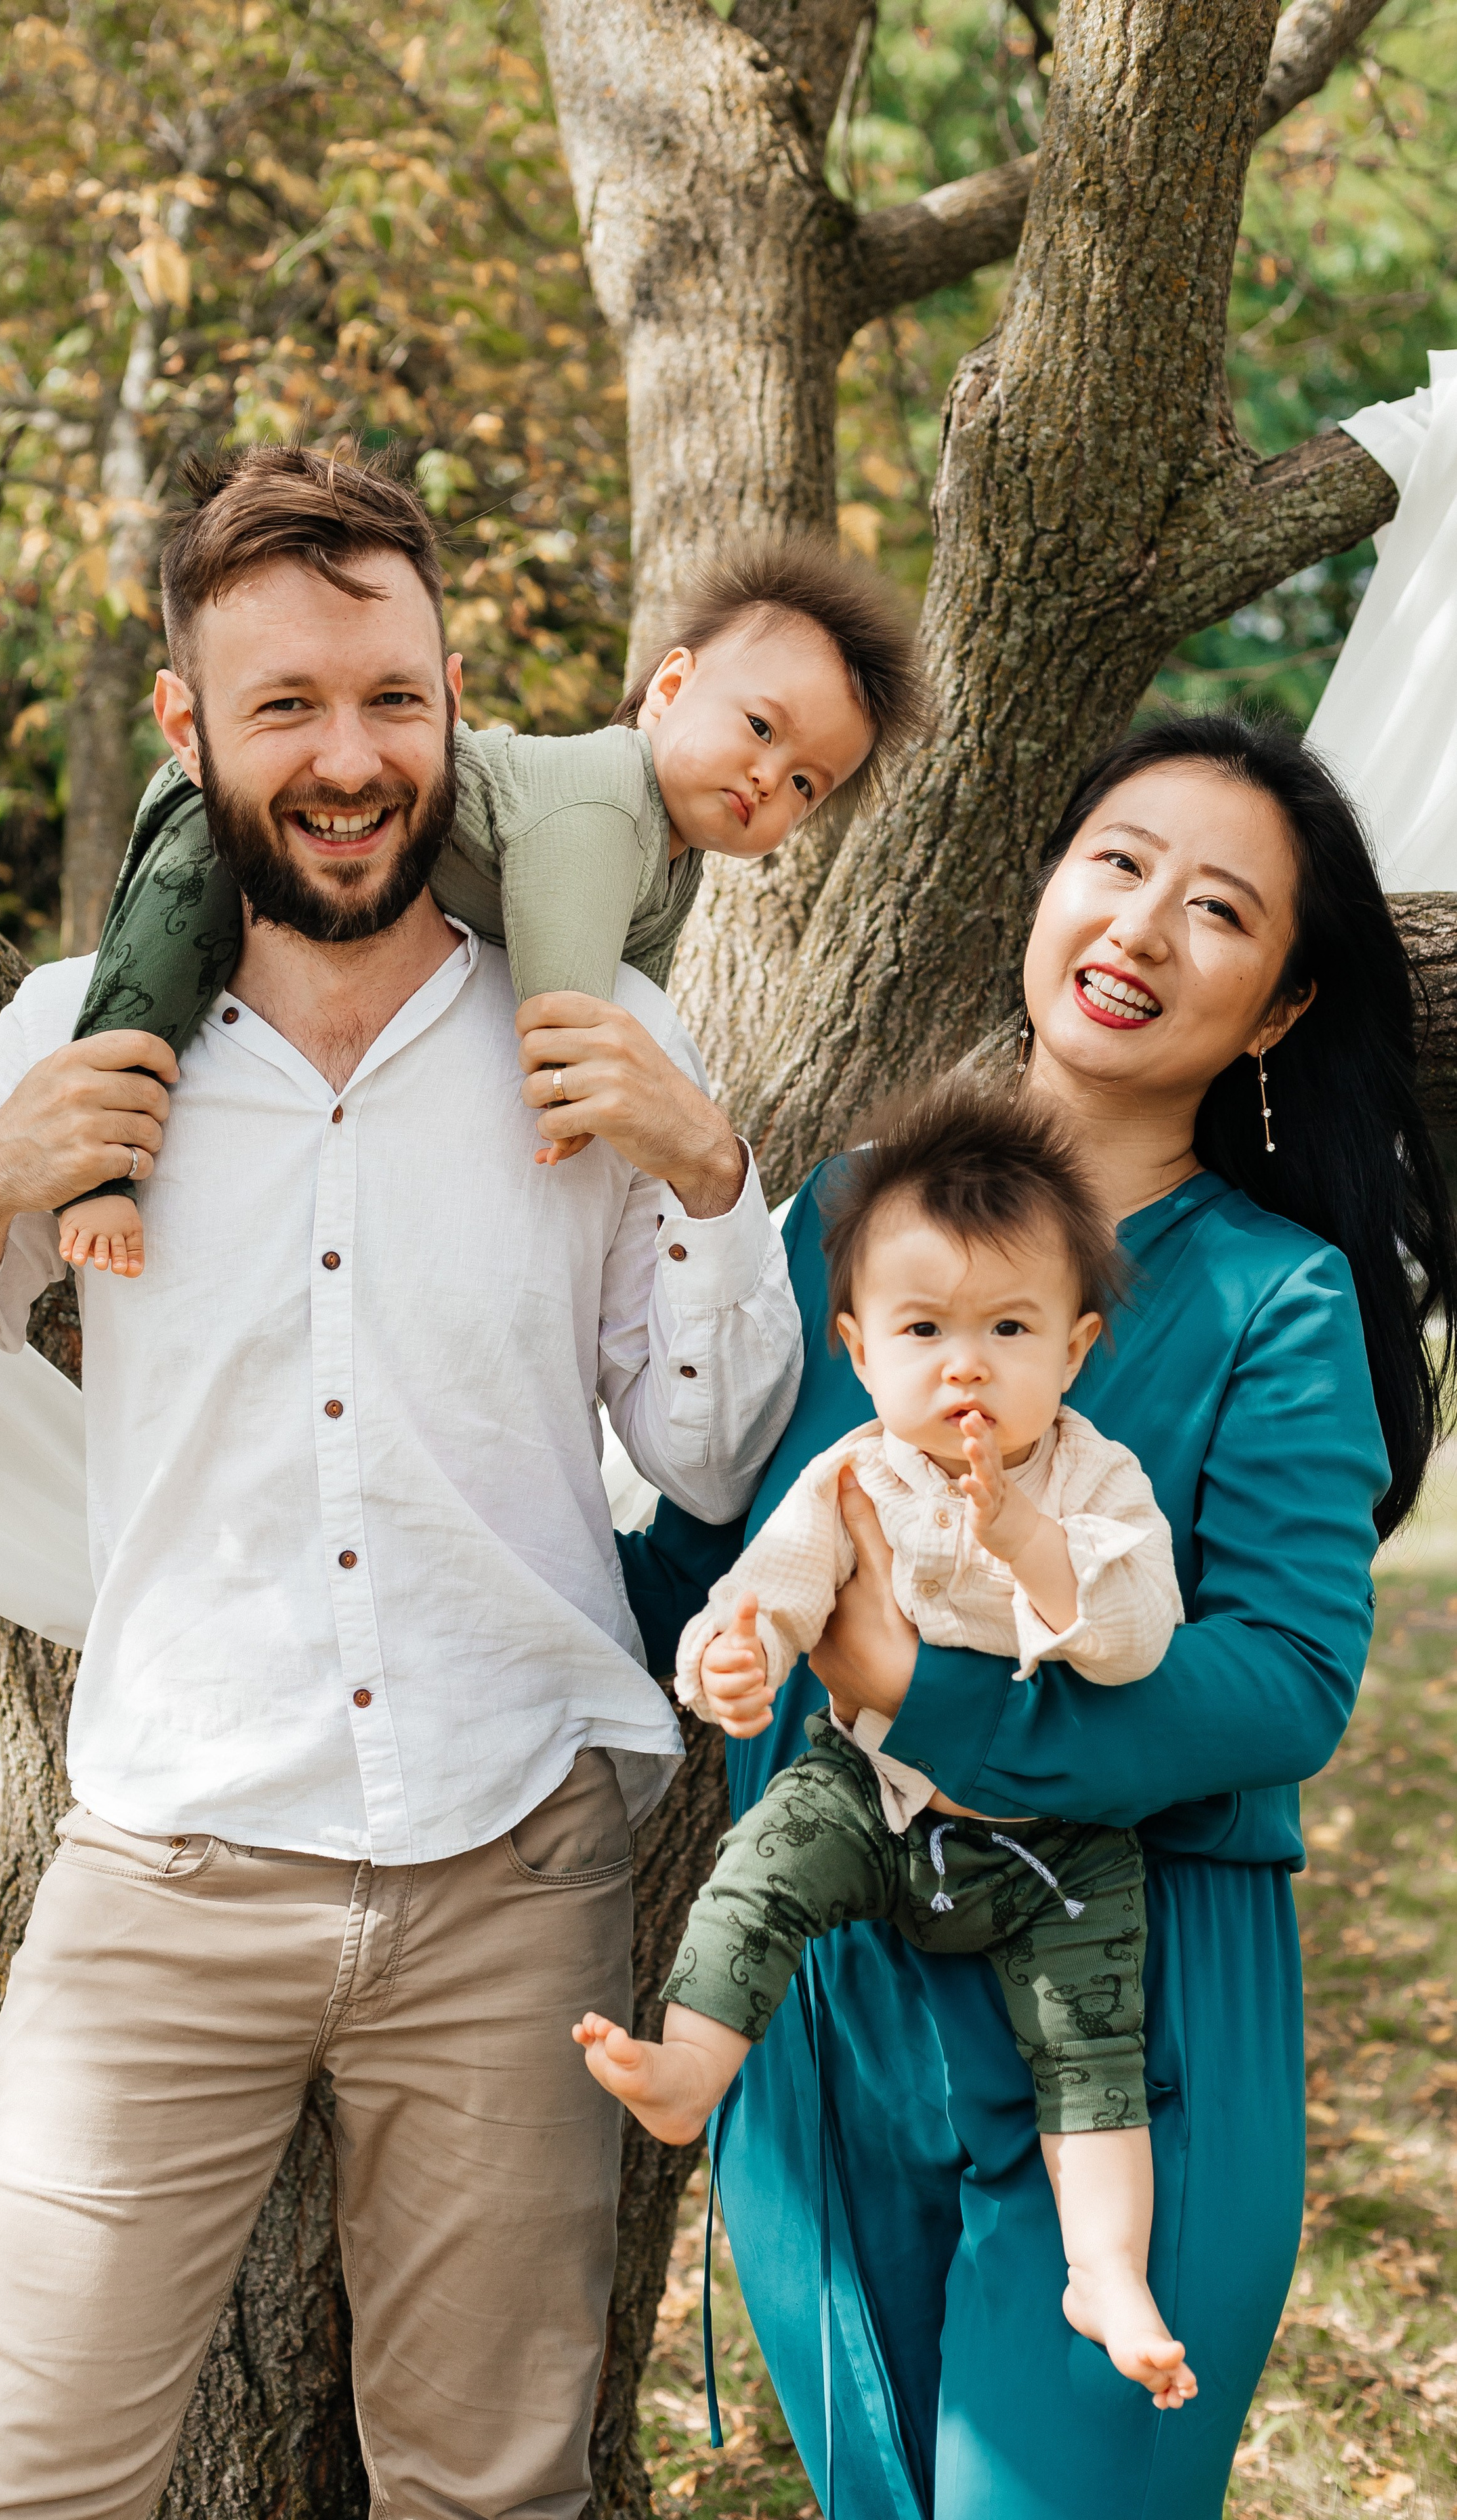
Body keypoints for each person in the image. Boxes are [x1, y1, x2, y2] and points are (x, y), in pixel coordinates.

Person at [0, 451, 806, 2520]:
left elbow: (708, 1448)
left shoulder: (596, 1025)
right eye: (284, 708)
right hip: (167, 1872)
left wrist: (714, 1176)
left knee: (492, 2486)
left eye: (393, 701)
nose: (350, 762)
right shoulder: (63, 1042)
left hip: (514, 1873)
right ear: (189, 728)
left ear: (460, 706)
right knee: (24, 2481)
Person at [616, 715, 1457, 2517]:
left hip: (1133, 2005)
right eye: (1118, 863)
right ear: (1047, 884)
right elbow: (697, 1560)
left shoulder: (1276, 1297)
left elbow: (1288, 1682)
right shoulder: (846, 1217)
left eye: (1219, 911)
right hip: (834, 1999)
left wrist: (919, 1691)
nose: (1144, 929)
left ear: (1285, 1006)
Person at [577, 1076, 1194, 2408]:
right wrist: (730, 1661)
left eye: (1006, 1327)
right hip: (873, 1790)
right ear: (858, 1350)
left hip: (1053, 1844)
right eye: (923, 1328)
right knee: (758, 1869)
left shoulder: (1094, 1481)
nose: (962, 1363)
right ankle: (692, 2064)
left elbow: (1136, 1631)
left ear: (1073, 1350)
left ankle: (1105, 2266)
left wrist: (1026, 1541)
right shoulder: (850, 1473)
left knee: (1092, 2046)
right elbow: (772, 1588)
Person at [56, 455, 923, 1276]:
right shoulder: (608, 794)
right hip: (230, 822)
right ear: (669, 689)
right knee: (161, 969)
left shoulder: (675, 866)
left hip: (362, 852)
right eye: (761, 729)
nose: (769, 777)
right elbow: (565, 971)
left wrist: (632, 1082)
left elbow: (635, 1004)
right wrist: (564, 1077)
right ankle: (96, 1175)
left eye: (807, 783)